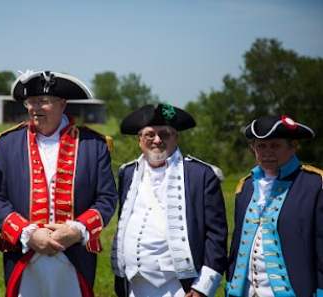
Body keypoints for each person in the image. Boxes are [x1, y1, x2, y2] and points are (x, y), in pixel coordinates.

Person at [0, 70, 118, 297]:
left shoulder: (93, 144)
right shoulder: (7, 144)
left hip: (74, 257)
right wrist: (27, 233)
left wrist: (77, 230)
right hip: (24, 254)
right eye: (31, 102)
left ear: (62, 104)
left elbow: (106, 199)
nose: (35, 108)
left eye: (43, 101)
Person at [111, 103, 228, 297]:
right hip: (133, 285)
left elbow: (216, 236)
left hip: (180, 287)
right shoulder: (128, 173)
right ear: (139, 139)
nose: (157, 140)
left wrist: (203, 287)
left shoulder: (201, 175)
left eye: (164, 134)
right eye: (150, 134)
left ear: (176, 137)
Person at [227, 115, 323, 297]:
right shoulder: (245, 187)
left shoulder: (314, 186)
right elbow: (236, 246)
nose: (267, 152)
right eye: (261, 146)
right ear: (252, 149)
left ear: (293, 147)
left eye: (275, 145)